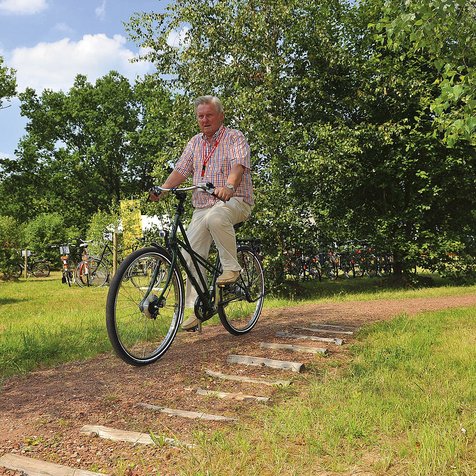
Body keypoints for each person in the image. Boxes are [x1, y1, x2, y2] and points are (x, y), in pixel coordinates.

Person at [150, 96, 254, 330]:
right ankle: (198, 306)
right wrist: (163, 190)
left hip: (234, 200)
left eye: (209, 115)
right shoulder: (195, 142)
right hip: (202, 206)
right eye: (200, 116)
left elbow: (238, 165)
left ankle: (232, 268)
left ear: (220, 116)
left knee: (217, 217)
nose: (204, 120)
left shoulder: (234, 137)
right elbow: (181, 170)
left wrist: (228, 186)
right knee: (190, 255)